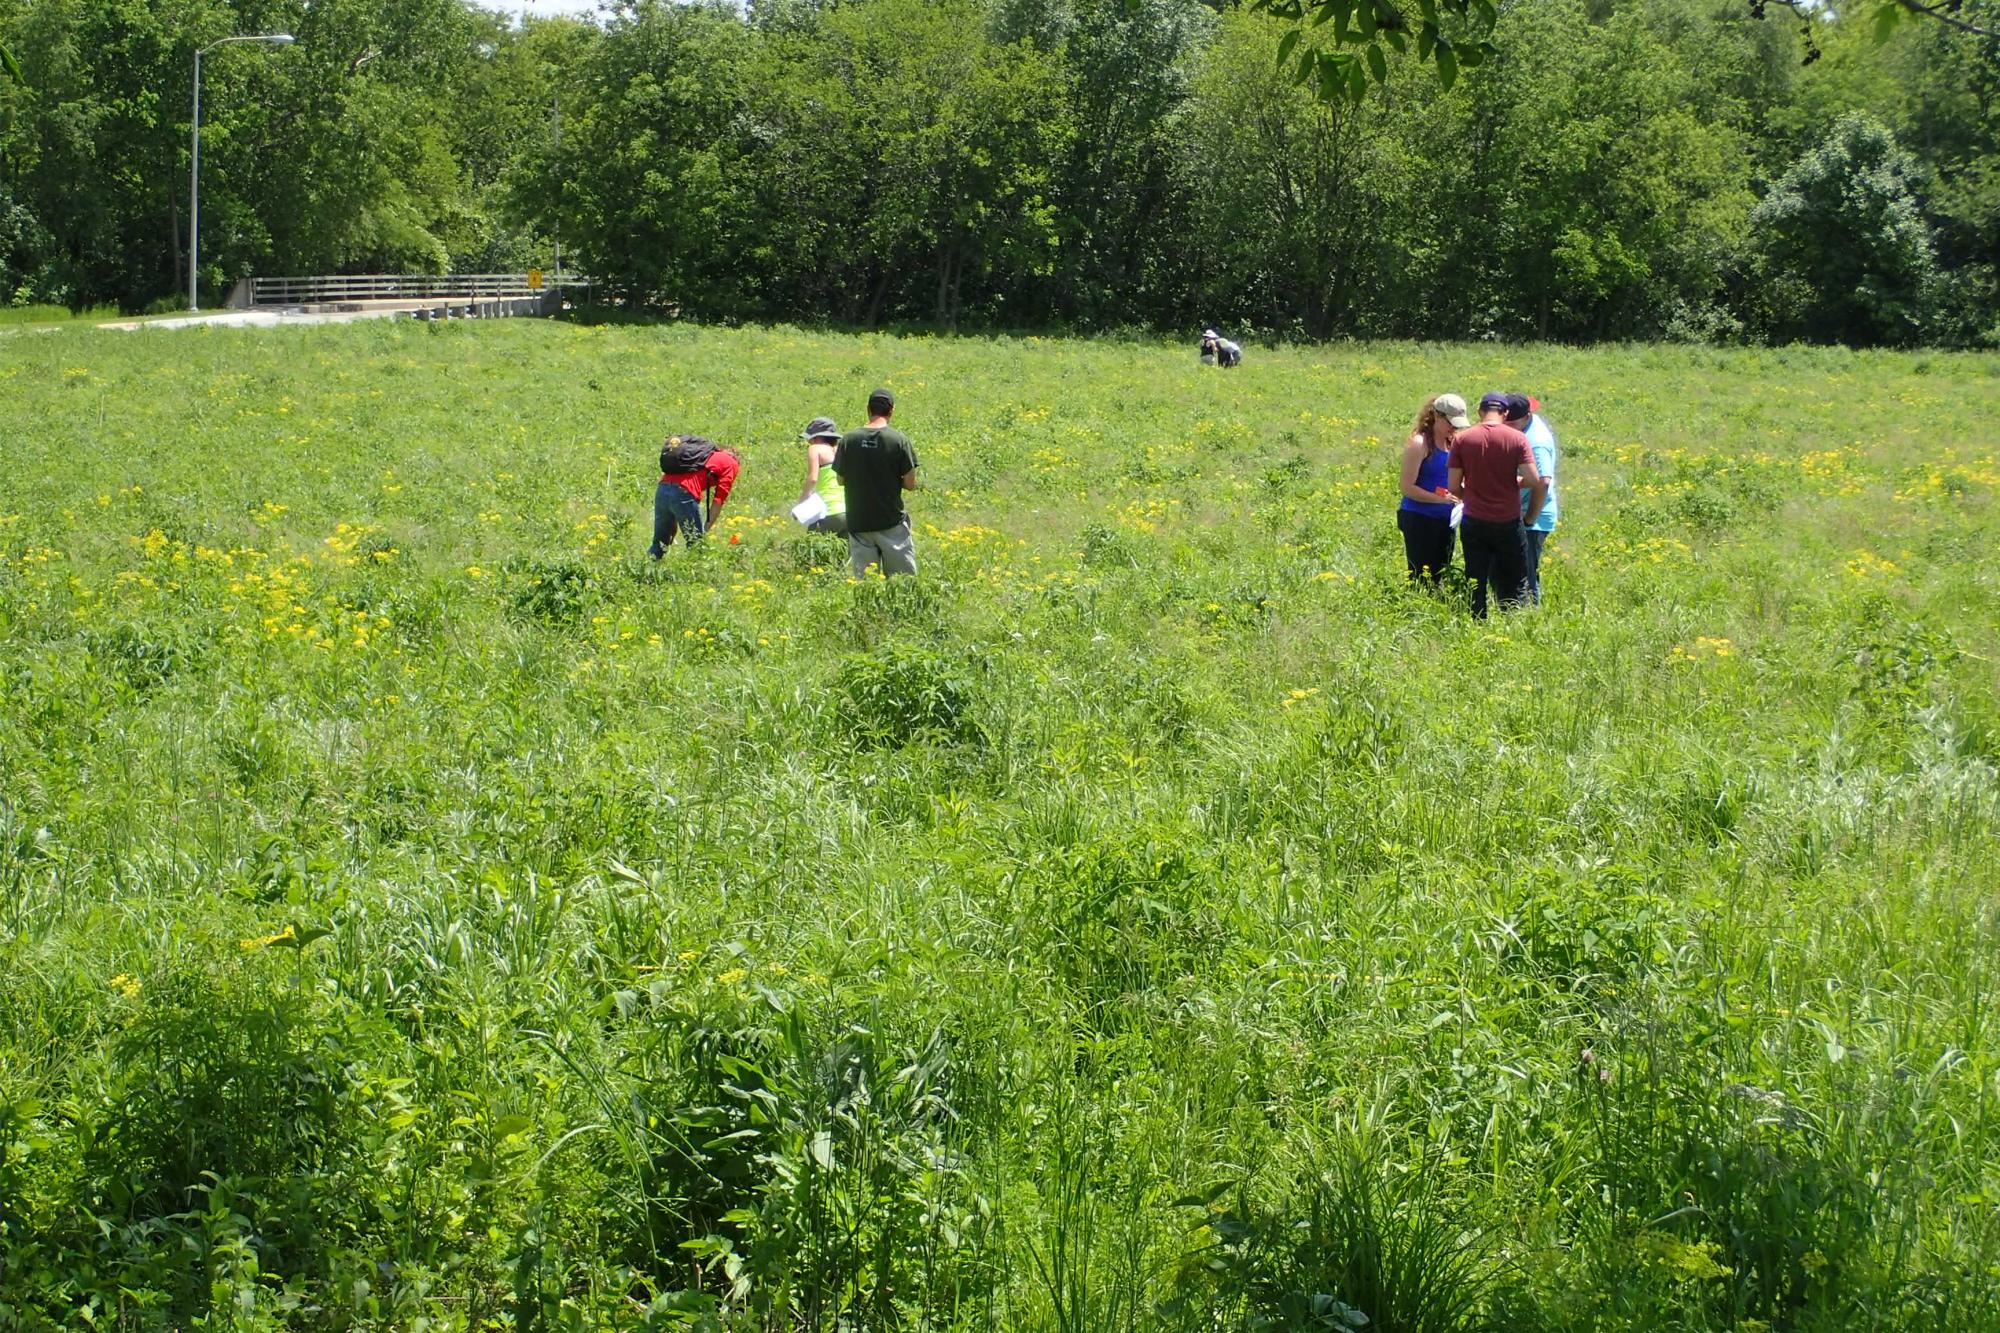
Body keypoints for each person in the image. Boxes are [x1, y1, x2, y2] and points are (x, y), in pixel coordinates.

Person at [1447, 393, 1545, 618]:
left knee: (1476, 577)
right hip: (1508, 521)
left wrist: (1471, 494)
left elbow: (1453, 486)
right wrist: (1513, 484)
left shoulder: (1463, 439)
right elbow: (1533, 479)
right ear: (1505, 413)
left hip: (1474, 520)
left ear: (1480, 411)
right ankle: (1513, 622)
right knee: (1515, 577)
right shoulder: (1517, 438)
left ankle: (1477, 621)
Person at [833, 388, 919, 577]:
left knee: (865, 584)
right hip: (891, 522)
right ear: (892, 410)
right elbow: (911, 483)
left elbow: (840, 480)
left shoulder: (848, 440)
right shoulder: (899, 440)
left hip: (859, 523)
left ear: (868, 409)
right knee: (902, 582)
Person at [1396, 392, 1468, 585]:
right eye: (1450, 423)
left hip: (1446, 519)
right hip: (1420, 518)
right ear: (1437, 416)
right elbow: (1406, 487)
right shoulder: (1420, 444)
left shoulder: (1452, 442)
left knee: (1441, 573)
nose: (1453, 428)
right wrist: (1441, 499)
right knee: (1421, 576)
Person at [648, 434, 739, 557]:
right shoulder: (731, 463)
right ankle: (694, 574)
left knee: (659, 545)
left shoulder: (701, 455)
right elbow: (718, 500)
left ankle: (646, 571)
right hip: (684, 492)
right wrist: (706, 528)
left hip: (662, 488)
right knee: (696, 545)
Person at [1519, 395, 1559, 602]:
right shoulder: (1526, 427)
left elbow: (1543, 482)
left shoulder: (1535, 442)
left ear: (1527, 416)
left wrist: (1529, 519)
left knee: (1526, 571)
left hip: (1533, 516)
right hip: (1526, 511)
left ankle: (1529, 615)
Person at [797, 416, 847, 535]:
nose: (809, 442)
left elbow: (813, 479)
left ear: (818, 437)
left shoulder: (815, 449)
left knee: (813, 547)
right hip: (849, 512)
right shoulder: (842, 450)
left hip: (827, 511)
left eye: (810, 439)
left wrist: (802, 501)